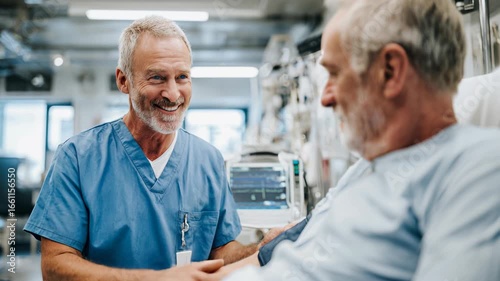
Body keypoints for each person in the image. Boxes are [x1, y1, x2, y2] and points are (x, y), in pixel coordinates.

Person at [206, 0, 500, 280]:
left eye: (334, 74)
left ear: (390, 71)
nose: (325, 97)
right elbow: (284, 249)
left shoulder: (477, 170)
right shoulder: (363, 170)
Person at [23, 16, 260, 280]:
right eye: (157, 77)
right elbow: (55, 267)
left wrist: (262, 249)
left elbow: (220, 251)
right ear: (123, 81)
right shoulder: (78, 158)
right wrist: (154, 279)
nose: (172, 93)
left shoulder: (208, 160)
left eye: (182, 77)